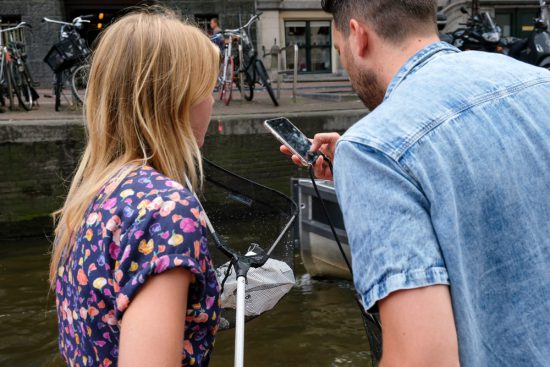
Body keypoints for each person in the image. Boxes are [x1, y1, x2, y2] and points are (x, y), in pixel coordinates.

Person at [282, 0, 550, 365]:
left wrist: (373, 159)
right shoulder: (538, 80)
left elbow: (424, 357)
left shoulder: (373, 150)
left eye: (339, 51)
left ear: (358, 37)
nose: (345, 66)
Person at [49, 8, 221, 367]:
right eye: (208, 88)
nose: (213, 101)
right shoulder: (165, 209)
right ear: (176, 99)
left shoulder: (90, 197)